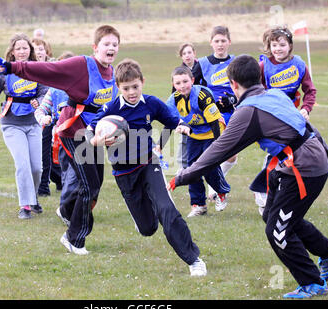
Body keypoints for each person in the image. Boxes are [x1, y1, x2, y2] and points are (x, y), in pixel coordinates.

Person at [168, 54, 328, 298]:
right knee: (275, 215)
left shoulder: (248, 111)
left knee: (277, 230)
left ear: (233, 84)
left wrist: (182, 177)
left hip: (304, 168)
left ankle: (313, 283)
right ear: (259, 77)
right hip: (298, 162)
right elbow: (307, 127)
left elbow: (217, 151)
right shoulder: (274, 94)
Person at [0, 25, 121, 254]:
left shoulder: (111, 72)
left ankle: (66, 211)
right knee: (89, 186)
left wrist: (111, 131)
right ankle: (74, 239)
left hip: (93, 134)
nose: (111, 48)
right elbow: (48, 69)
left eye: (115, 44)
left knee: (95, 184)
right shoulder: (82, 65)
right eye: (106, 44)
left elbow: (108, 107)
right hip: (73, 130)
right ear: (95, 47)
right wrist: (13, 66)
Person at [87, 58, 207, 276]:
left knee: (167, 209)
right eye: (126, 88)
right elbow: (89, 131)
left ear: (142, 81)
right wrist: (98, 141)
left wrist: (182, 127)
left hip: (149, 163)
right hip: (123, 172)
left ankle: (194, 260)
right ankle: (143, 215)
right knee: (148, 228)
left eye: (135, 86)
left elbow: (173, 120)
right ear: (118, 87)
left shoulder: (151, 103)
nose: (132, 92)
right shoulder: (111, 108)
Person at [0, 33, 48, 220]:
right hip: (11, 124)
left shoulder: (38, 69)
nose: (22, 51)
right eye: (18, 48)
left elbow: (45, 92)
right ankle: (25, 206)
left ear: (30, 50)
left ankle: (33, 198)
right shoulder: (5, 72)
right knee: (22, 164)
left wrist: (39, 101)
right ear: (12, 51)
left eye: (25, 48)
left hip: (33, 123)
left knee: (37, 168)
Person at [253, 26, 318, 211]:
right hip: (271, 116)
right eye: (274, 45)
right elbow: (255, 91)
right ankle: (262, 191)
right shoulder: (264, 66)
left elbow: (310, 90)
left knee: (299, 151)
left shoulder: (298, 64)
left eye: (282, 44)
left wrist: (306, 108)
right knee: (277, 152)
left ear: (290, 45)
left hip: (293, 115)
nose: (278, 49)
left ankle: (284, 193)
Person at [166, 66, 230, 217]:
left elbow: (214, 122)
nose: (182, 86)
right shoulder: (174, 98)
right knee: (192, 169)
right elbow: (168, 121)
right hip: (194, 135)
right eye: (178, 83)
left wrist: (218, 146)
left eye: (185, 81)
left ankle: (221, 192)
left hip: (211, 133)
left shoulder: (202, 95)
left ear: (192, 80)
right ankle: (199, 205)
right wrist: (159, 146)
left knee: (209, 166)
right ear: (173, 84)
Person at [35, 51, 79, 226]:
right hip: (64, 140)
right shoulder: (54, 91)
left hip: (87, 139)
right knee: (70, 176)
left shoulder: (86, 88)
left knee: (92, 182)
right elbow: (40, 110)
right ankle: (66, 211)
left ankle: (79, 210)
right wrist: (43, 118)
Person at [198, 26, 238, 202]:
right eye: (217, 41)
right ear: (211, 43)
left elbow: (246, 86)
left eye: (223, 41)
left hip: (232, 114)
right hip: (211, 116)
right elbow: (194, 88)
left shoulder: (237, 62)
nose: (220, 44)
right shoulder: (202, 63)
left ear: (229, 42)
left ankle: (215, 183)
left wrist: (234, 99)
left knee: (232, 155)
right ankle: (215, 189)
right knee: (214, 152)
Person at [30, 38, 61, 197]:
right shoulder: (28, 70)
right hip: (33, 116)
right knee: (43, 152)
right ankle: (59, 179)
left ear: (46, 51)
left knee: (47, 151)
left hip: (51, 114)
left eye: (41, 49)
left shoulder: (53, 67)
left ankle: (44, 187)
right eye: (35, 49)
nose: (39, 52)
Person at [173, 43, 204, 172]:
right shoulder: (180, 71)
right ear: (181, 56)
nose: (187, 55)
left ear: (194, 53)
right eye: (184, 53)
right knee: (185, 136)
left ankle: (202, 162)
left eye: (189, 52)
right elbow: (173, 93)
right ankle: (182, 166)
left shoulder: (201, 67)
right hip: (185, 108)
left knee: (202, 135)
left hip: (201, 107)